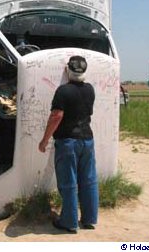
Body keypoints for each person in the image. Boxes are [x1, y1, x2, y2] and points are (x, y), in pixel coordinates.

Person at [38, 55, 98, 234]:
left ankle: (69, 221)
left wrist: (45, 139)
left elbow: (56, 116)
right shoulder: (90, 90)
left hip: (68, 142)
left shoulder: (63, 91)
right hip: (87, 140)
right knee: (89, 180)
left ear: (67, 70)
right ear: (85, 71)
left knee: (68, 181)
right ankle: (89, 219)